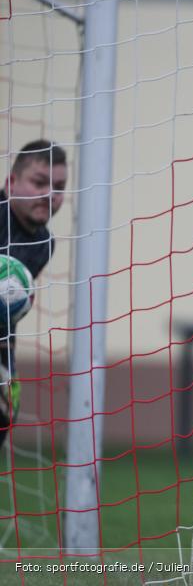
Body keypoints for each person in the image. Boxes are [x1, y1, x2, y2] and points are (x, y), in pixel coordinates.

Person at [0, 140, 68, 447]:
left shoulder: (44, 244)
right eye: (39, 182)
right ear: (11, 182)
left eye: (59, 187)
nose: (49, 194)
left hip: (3, 346)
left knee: (5, 415)